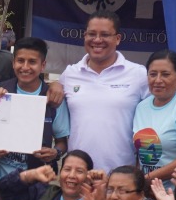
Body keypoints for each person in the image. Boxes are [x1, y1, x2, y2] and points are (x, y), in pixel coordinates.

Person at [59, 10, 145, 173]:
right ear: (85, 36)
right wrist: (55, 85)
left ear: (117, 39)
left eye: (105, 35)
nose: (97, 40)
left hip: (120, 177)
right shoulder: (69, 74)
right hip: (77, 176)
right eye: (92, 34)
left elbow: (162, 106)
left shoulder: (138, 74)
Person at [0, 36, 69, 187]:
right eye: (20, 61)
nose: (25, 67)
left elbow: (62, 142)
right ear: (13, 63)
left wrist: (55, 153)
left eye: (32, 62)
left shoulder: (53, 98)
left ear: (43, 65)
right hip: (1, 183)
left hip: (37, 185)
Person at [130, 49, 176, 186]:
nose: (158, 80)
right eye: (153, 74)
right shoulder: (141, 107)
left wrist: (147, 179)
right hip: (149, 191)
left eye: (165, 74)